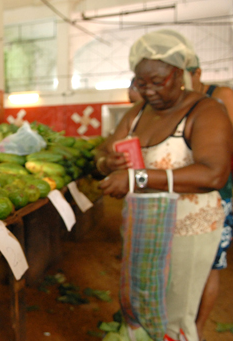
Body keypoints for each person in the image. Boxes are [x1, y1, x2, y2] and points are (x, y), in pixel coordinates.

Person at [96, 30, 233, 341]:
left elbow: (214, 175)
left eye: (158, 82)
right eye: (142, 83)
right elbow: (104, 150)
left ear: (180, 74)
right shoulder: (139, 112)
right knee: (143, 301)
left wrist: (137, 178)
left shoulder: (206, 111)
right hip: (143, 225)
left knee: (176, 310)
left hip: (189, 228)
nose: (149, 91)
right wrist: (107, 163)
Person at [189, 57, 233, 340]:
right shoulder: (179, 102)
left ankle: (198, 329)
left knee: (209, 262)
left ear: (198, 73)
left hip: (219, 192)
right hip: (184, 194)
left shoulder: (221, 97)